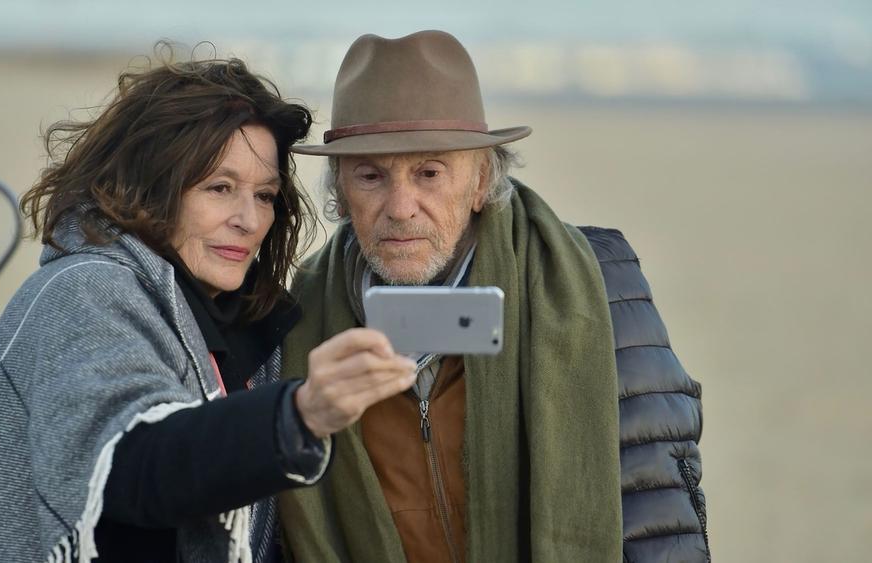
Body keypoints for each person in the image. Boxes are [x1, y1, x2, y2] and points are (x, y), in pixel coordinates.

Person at [0, 49, 417, 563]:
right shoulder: (85, 289)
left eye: (264, 195)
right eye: (220, 188)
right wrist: (297, 415)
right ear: (151, 188)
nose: (249, 219)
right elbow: (138, 463)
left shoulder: (243, 321)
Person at [278, 30, 709, 562]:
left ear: (481, 181)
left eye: (429, 172)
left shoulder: (597, 281)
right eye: (370, 176)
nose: (401, 207)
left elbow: (659, 506)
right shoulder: (299, 319)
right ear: (340, 192)